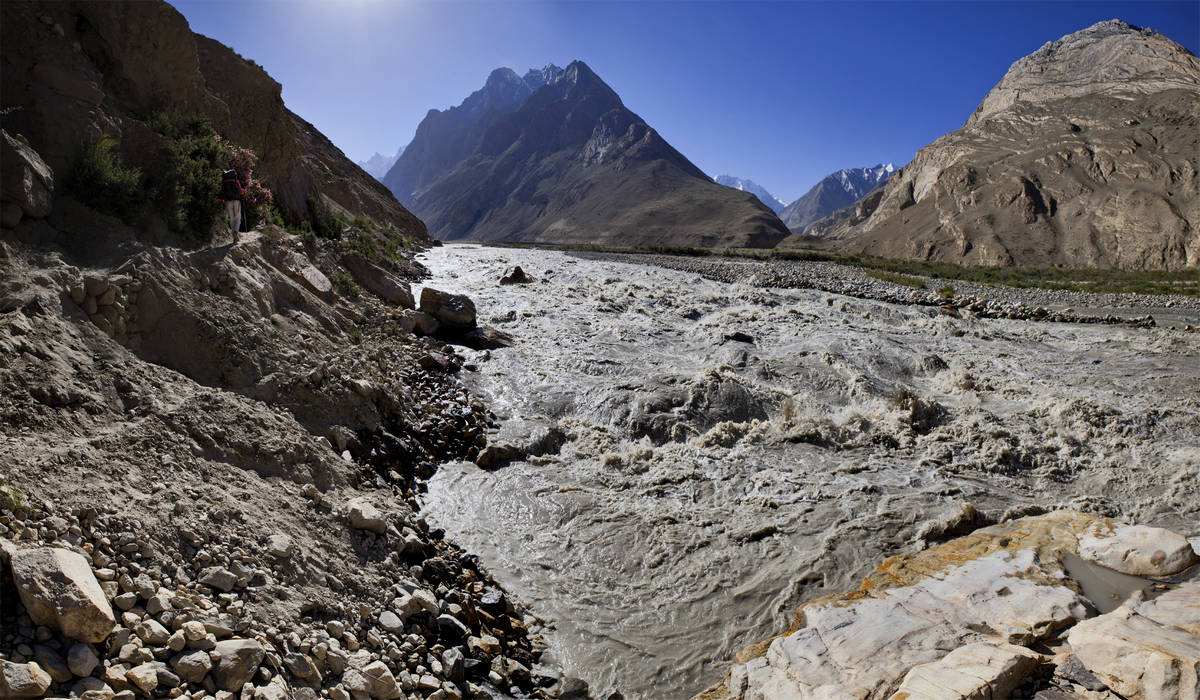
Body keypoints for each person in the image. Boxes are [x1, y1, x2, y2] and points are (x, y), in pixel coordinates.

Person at [219, 169, 244, 243]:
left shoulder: (224, 182)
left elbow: (222, 192)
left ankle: (234, 235)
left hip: (227, 201)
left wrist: (222, 201)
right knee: (237, 217)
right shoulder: (236, 181)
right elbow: (241, 192)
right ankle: (236, 232)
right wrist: (241, 195)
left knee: (231, 218)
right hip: (236, 201)